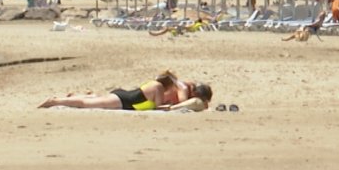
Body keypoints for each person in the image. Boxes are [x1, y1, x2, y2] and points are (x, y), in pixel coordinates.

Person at [39, 71, 213, 111]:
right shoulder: (159, 88)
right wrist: (168, 107)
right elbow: (156, 107)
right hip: (123, 101)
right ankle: (54, 101)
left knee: (93, 100)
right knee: (86, 104)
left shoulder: (157, 84)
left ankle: (67, 98)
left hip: (124, 96)